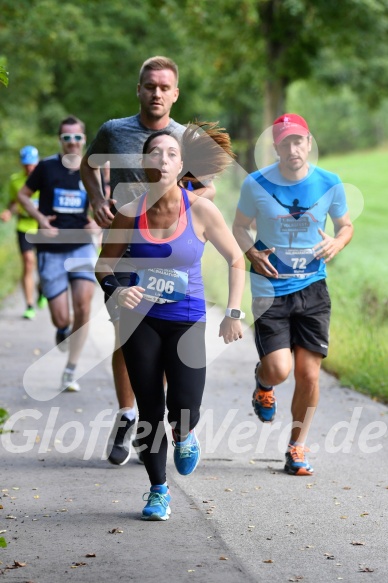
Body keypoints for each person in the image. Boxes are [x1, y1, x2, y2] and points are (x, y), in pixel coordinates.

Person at [95, 127, 245, 520]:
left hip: (187, 321)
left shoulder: (200, 209)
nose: (162, 159)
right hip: (139, 320)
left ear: (181, 165)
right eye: (154, 153)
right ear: (144, 163)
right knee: (149, 409)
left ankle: (186, 435)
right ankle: (158, 490)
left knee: (184, 406)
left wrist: (232, 312)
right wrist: (115, 289)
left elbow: (235, 259)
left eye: (171, 154)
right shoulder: (130, 213)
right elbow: (104, 263)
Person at [80, 56, 215, 466]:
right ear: (138, 89)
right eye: (149, 86)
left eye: (164, 87)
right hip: (124, 248)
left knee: (165, 336)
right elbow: (89, 166)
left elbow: (208, 190)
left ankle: (160, 423)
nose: (156, 93)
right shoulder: (114, 131)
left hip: (169, 252)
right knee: (128, 333)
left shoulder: (187, 140)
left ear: (175, 94)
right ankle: (129, 413)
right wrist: (99, 198)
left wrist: (180, 207)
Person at [232, 113, 353, 476]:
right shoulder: (255, 184)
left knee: (309, 375)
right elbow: (239, 227)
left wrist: (337, 241)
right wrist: (251, 250)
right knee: (280, 369)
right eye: (285, 142)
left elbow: (346, 225)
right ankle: (263, 381)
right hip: (269, 288)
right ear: (276, 147)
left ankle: (297, 447)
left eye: (298, 140)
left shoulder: (330, 183)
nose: (293, 148)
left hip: (313, 288)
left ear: (309, 143)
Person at [17, 115, 99, 393]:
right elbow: (23, 195)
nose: (73, 143)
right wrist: (40, 219)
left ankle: (70, 370)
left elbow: (104, 201)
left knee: (84, 307)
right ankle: (62, 328)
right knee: (62, 319)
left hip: (81, 245)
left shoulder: (94, 168)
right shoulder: (46, 167)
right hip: (51, 249)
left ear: (84, 139)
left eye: (77, 137)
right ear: (60, 140)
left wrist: (96, 221)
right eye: (67, 138)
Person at [0, 146, 47, 319]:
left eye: (32, 165)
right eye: (26, 165)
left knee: (43, 265)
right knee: (28, 263)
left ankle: (42, 291)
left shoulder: (45, 178)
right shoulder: (15, 181)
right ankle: (29, 305)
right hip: (24, 227)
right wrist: (8, 212)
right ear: (22, 164)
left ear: (37, 163)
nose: (29, 168)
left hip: (43, 227)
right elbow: (14, 202)